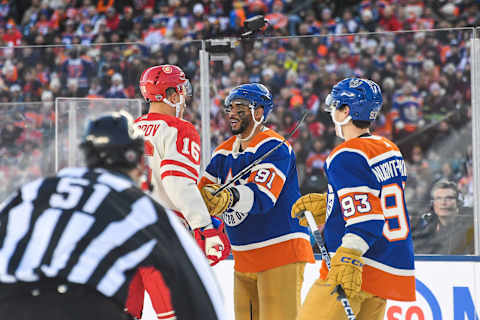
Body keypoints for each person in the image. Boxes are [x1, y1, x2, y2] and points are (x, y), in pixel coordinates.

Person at [0, 111, 225, 320]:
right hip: (78, 303)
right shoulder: (138, 205)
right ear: (137, 161)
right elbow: (200, 295)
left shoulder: (35, 190)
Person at [291, 78, 416, 320]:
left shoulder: (345, 154)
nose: (331, 114)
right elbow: (375, 196)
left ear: (346, 111)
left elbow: (366, 216)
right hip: (384, 265)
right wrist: (330, 203)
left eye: (335, 107)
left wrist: (349, 254)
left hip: (352, 268)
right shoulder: (388, 148)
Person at [198, 83, 315, 320]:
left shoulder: (274, 146)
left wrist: (226, 197)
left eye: (239, 108)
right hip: (244, 258)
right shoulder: (222, 152)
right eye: (229, 107)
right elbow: (202, 193)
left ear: (259, 112)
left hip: (280, 253)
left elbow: (262, 196)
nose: (231, 113)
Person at [135, 64, 230, 266]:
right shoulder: (178, 129)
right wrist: (204, 226)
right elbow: (178, 183)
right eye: (181, 90)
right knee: (173, 298)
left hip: (130, 229)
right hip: (164, 231)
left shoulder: (131, 127)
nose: (184, 98)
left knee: (129, 298)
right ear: (171, 94)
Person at [412, 179, 474, 254]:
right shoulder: (425, 227)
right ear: (433, 204)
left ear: (458, 202)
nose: (443, 203)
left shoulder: (471, 226)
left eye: (449, 198)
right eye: (438, 198)